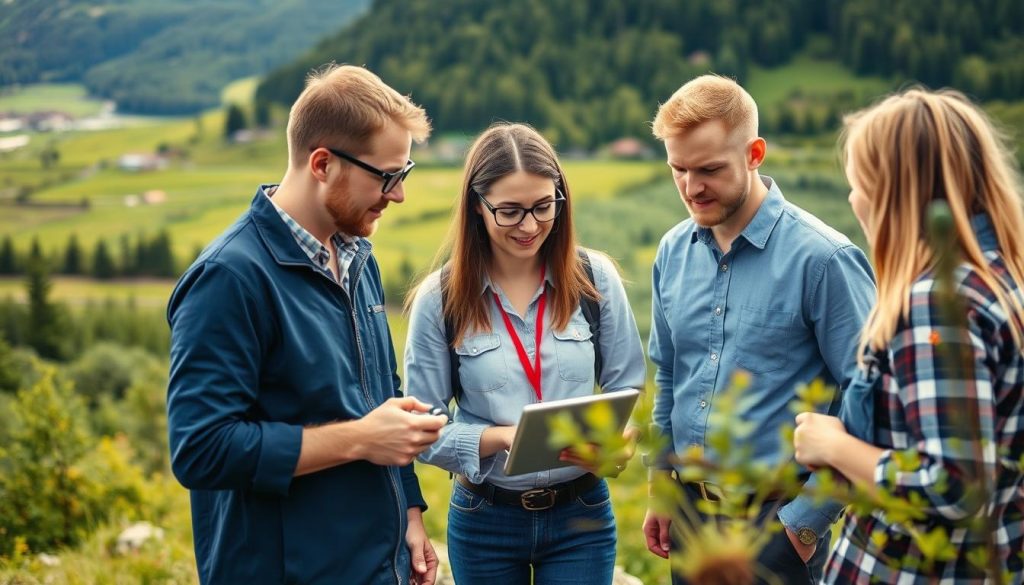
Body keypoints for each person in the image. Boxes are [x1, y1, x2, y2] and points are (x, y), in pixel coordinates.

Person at [166, 64, 448, 585]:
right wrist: (360, 439)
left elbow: (380, 400)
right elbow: (200, 450)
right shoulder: (227, 279)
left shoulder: (358, 256)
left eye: (403, 175)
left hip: (374, 566)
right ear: (322, 163)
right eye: (387, 176)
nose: (399, 194)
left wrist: (409, 509)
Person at [641, 74, 877, 584]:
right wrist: (662, 482)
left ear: (755, 153)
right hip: (688, 521)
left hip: (778, 527)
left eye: (709, 169)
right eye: (677, 169)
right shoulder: (671, 252)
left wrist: (802, 528)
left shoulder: (825, 260)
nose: (690, 187)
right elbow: (668, 376)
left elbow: (870, 400)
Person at [793, 88, 1024, 583]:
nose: (853, 199)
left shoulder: (939, 305)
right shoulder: (1002, 282)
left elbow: (954, 486)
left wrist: (831, 445)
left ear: (890, 192)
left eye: (857, 184)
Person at [403, 122, 646, 584]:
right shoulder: (440, 299)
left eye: (543, 206)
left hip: (582, 514)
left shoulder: (596, 280)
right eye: (510, 212)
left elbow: (626, 388)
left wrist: (620, 441)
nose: (530, 226)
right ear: (478, 206)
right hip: (484, 517)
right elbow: (424, 430)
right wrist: (504, 438)